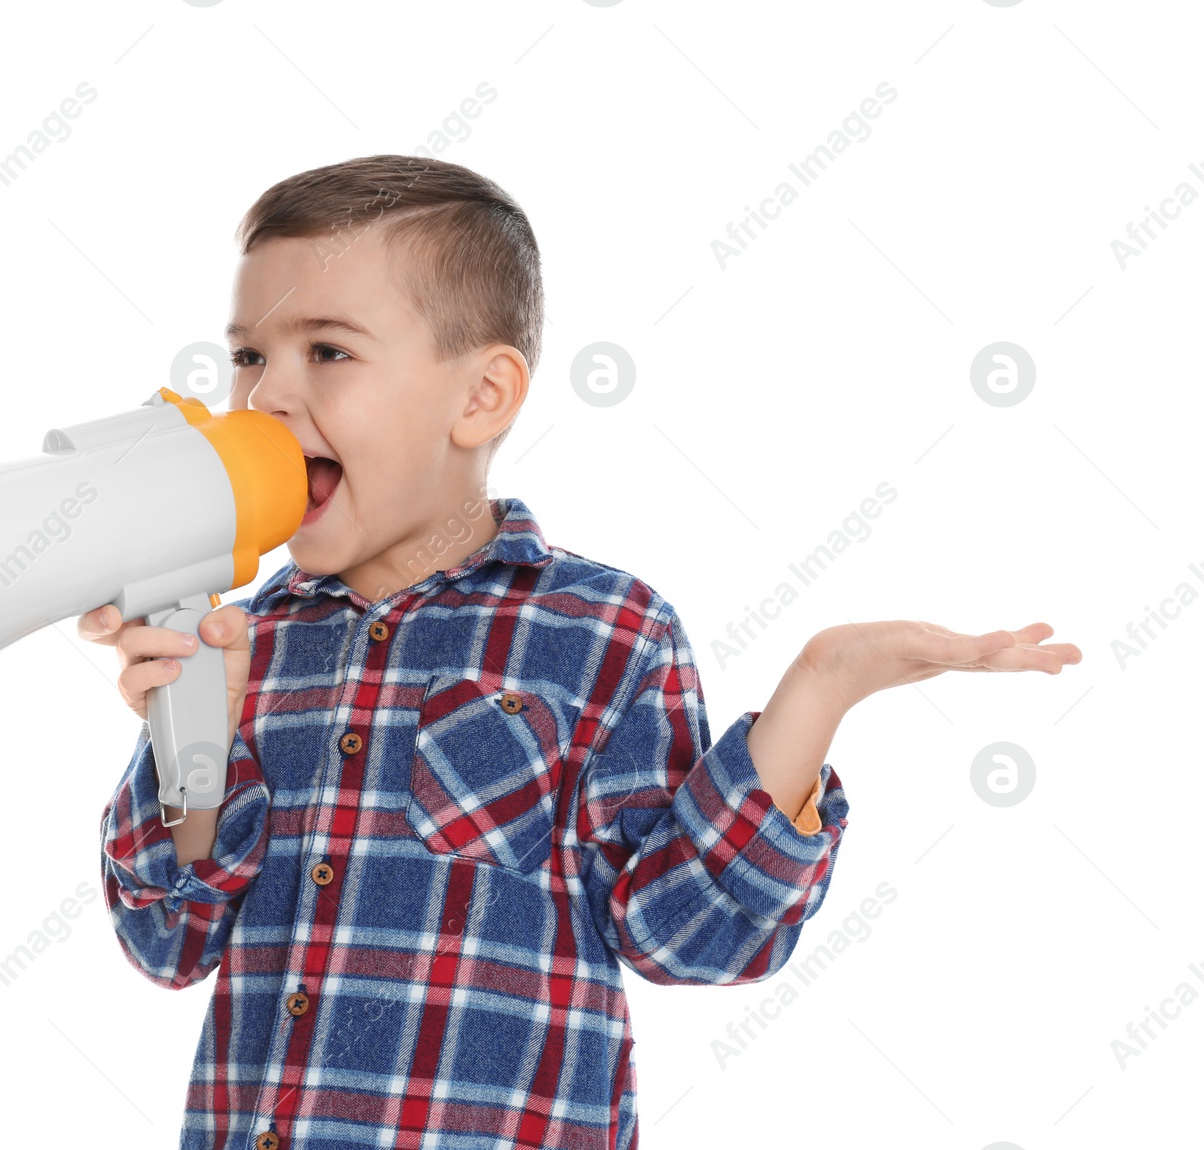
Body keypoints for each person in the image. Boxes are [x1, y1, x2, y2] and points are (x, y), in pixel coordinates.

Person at [83, 154, 1081, 1150]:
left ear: (480, 396)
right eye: (248, 356)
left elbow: (685, 933)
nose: (264, 399)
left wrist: (819, 688)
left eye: (328, 353)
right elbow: (168, 938)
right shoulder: (244, 642)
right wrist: (188, 735)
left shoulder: (602, 632)